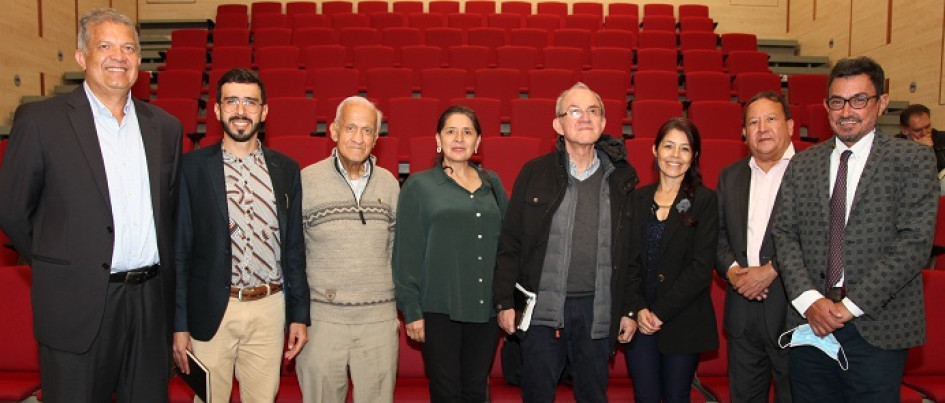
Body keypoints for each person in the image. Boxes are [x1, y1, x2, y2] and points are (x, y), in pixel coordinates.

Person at [0, 8, 182, 402]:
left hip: (150, 303)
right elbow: (14, 210)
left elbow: (169, 212)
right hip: (76, 304)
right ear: (82, 56)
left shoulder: (165, 127)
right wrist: (61, 260)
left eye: (129, 48)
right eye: (106, 46)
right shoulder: (40, 121)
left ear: (139, 60)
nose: (119, 56)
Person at [772, 56, 938, 402]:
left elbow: (914, 243)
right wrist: (811, 301)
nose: (847, 111)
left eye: (859, 100)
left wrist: (850, 306)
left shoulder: (912, 160)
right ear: (825, 106)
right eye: (837, 101)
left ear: (882, 102)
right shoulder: (802, 164)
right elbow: (785, 234)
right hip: (811, 326)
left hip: (878, 327)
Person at [494, 82, 639, 402]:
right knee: (537, 394)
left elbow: (630, 254)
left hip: (597, 310)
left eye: (593, 111)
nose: (585, 118)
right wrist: (505, 302)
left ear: (603, 124)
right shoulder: (534, 172)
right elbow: (510, 242)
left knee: (593, 395)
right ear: (558, 125)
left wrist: (628, 308)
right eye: (575, 111)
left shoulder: (622, 179)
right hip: (543, 308)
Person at [172, 68, 310, 403]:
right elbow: (180, 250)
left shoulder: (286, 169)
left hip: (269, 307)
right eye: (231, 101)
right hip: (211, 310)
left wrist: (299, 315)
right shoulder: (191, 169)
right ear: (217, 110)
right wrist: (178, 323)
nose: (240, 110)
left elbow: (294, 247)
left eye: (250, 102)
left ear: (264, 111)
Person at [393, 105, 508, 402]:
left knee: (475, 390)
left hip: (485, 310)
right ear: (438, 139)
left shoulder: (493, 183)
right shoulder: (418, 185)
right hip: (438, 309)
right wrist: (412, 311)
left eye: (467, 132)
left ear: (478, 142)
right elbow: (407, 253)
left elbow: (509, 246)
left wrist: (508, 301)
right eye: (451, 131)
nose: (459, 138)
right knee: (446, 393)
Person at [295, 96, 400, 403]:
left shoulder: (390, 184)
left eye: (367, 130)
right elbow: (293, 253)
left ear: (376, 138)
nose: (358, 137)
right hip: (322, 322)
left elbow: (396, 249)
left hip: (378, 321)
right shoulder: (306, 181)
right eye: (350, 127)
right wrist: (297, 315)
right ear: (333, 131)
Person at [619, 117, 718, 403]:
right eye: (669, 146)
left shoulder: (705, 201)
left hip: (682, 319)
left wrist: (659, 312)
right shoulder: (636, 200)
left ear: (694, 156)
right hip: (640, 320)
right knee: (645, 396)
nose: (675, 156)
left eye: (685, 149)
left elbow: (700, 269)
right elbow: (628, 263)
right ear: (654, 150)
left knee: (677, 396)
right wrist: (639, 309)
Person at [716, 92, 794, 403]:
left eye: (771, 119)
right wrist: (735, 274)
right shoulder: (730, 176)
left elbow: (819, 238)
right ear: (744, 132)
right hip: (742, 314)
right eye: (753, 122)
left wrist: (771, 270)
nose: (762, 128)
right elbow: (718, 236)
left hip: (794, 314)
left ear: (789, 124)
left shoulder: (811, 171)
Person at [897, 104, 945, 193]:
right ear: (904, 130)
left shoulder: (942, 139)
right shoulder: (895, 148)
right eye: (918, 130)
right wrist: (917, 150)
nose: (925, 133)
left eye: (927, 127)